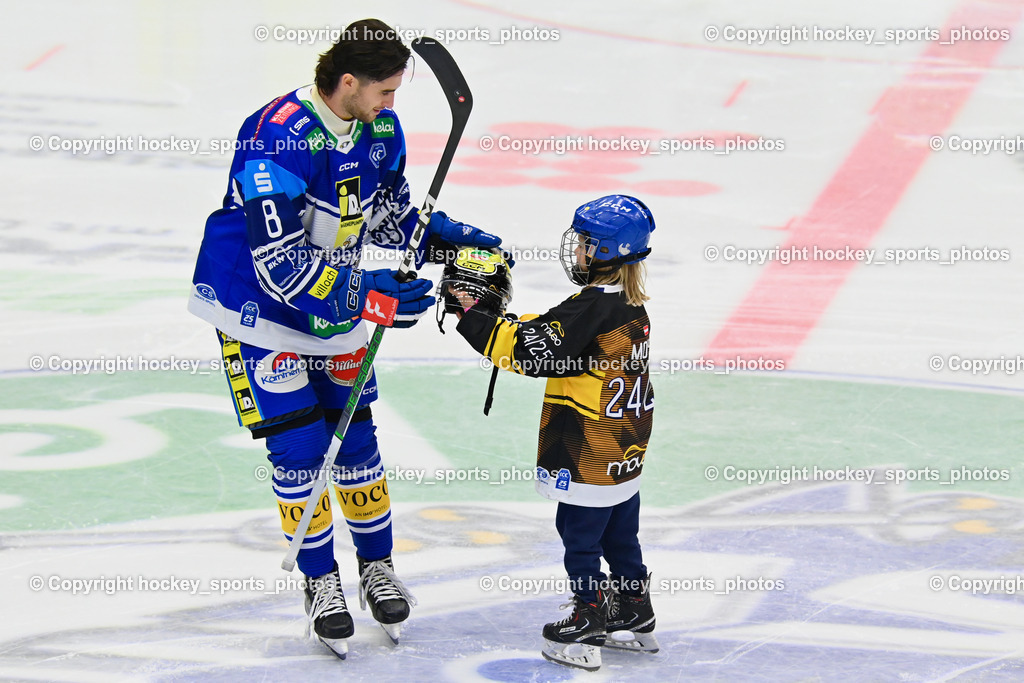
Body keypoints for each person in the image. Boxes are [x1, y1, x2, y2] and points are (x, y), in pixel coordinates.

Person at [187, 18, 502, 659]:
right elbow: (280, 267)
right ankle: (321, 581)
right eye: (385, 91)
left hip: (332, 302)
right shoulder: (275, 137)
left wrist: (441, 236)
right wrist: (370, 294)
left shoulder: (378, 127)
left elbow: (385, 212)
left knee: (355, 437)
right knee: (302, 449)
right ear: (348, 82)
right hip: (260, 312)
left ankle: (378, 568)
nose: (392, 105)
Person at [442, 195, 658, 672]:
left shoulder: (591, 308)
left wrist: (470, 312)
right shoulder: (626, 305)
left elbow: (529, 352)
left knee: (578, 532)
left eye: (583, 242)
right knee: (621, 530)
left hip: (588, 443)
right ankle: (634, 607)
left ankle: (587, 618)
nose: (576, 249)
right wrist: (499, 321)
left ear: (602, 252)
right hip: (626, 443)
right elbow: (554, 338)